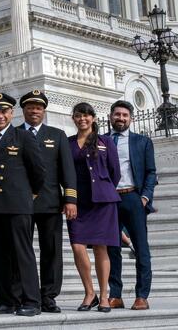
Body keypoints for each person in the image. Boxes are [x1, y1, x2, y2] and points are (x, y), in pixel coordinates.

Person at [0, 92, 45, 317]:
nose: (0, 115)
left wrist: (29, 194)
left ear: (11, 113)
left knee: (22, 255)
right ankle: (6, 300)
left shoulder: (23, 137)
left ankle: (32, 300)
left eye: (4, 111)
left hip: (17, 205)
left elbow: (38, 172)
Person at [18, 90, 78, 313]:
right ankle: (26, 295)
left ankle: (49, 296)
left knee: (52, 251)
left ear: (44, 111)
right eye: (30, 107)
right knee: (21, 251)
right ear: (23, 110)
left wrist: (70, 199)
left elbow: (67, 170)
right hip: (20, 203)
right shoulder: (14, 134)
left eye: (39, 107)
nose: (35, 111)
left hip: (50, 202)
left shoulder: (57, 134)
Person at [68, 102, 121, 313]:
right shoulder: (68, 142)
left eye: (87, 115)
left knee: (101, 247)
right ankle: (90, 293)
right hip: (78, 203)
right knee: (77, 246)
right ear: (73, 118)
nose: (83, 119)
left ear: (94, 118)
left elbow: (114, 172)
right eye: (79, 115)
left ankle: (105, 295)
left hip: (103, 202)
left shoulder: (105, 141)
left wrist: (103, 189)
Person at [107, 100, 157, 311]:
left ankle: (142, 295)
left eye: (125, 115)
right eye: (117, 114)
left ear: (131, 119)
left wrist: (144, 197)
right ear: (110, 117)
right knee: (111, 249)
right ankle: (115, 295)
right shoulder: (102, 140)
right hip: (109, 200)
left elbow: (151, 172)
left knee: (141, 247)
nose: (121, 118)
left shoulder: (142, 142)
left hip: (133, 198)